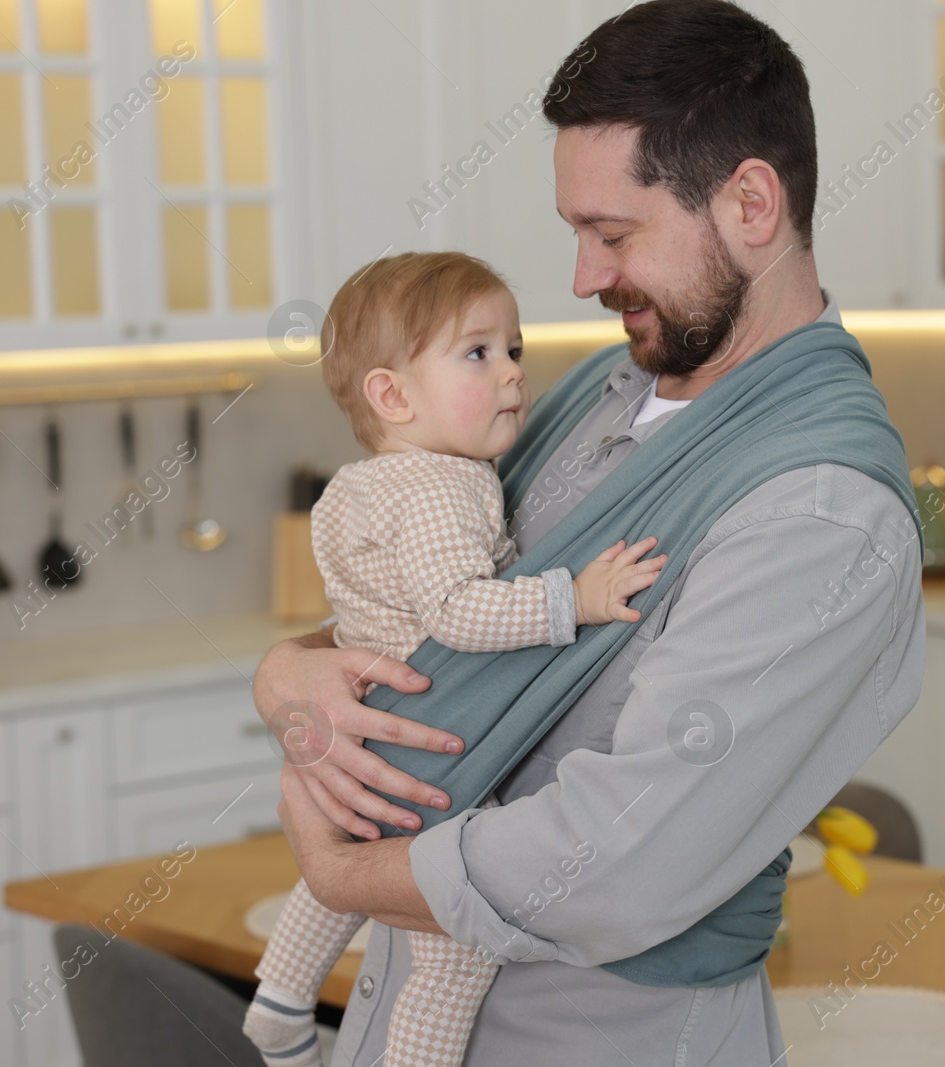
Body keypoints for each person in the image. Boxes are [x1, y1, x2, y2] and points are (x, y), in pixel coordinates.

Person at [259, 2, 927, 1062]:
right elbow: (438, 618)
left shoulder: (817, 510)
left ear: (751, 203)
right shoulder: (605, 394)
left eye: (612, 235)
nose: (582, 278)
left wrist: (344, 876)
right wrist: (289, 672)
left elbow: (621, 851)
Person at [242, 251, 666, 1067]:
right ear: (392, 394)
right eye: (477, 353)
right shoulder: (444, 487)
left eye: (513, 349)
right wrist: (571, 598)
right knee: (452, 949)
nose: (510, 374)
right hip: (437, 743)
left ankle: (280, 1000)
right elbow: (456, 610)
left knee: (338, 867)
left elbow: (370, 611)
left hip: (377, 738)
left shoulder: (359, 486)